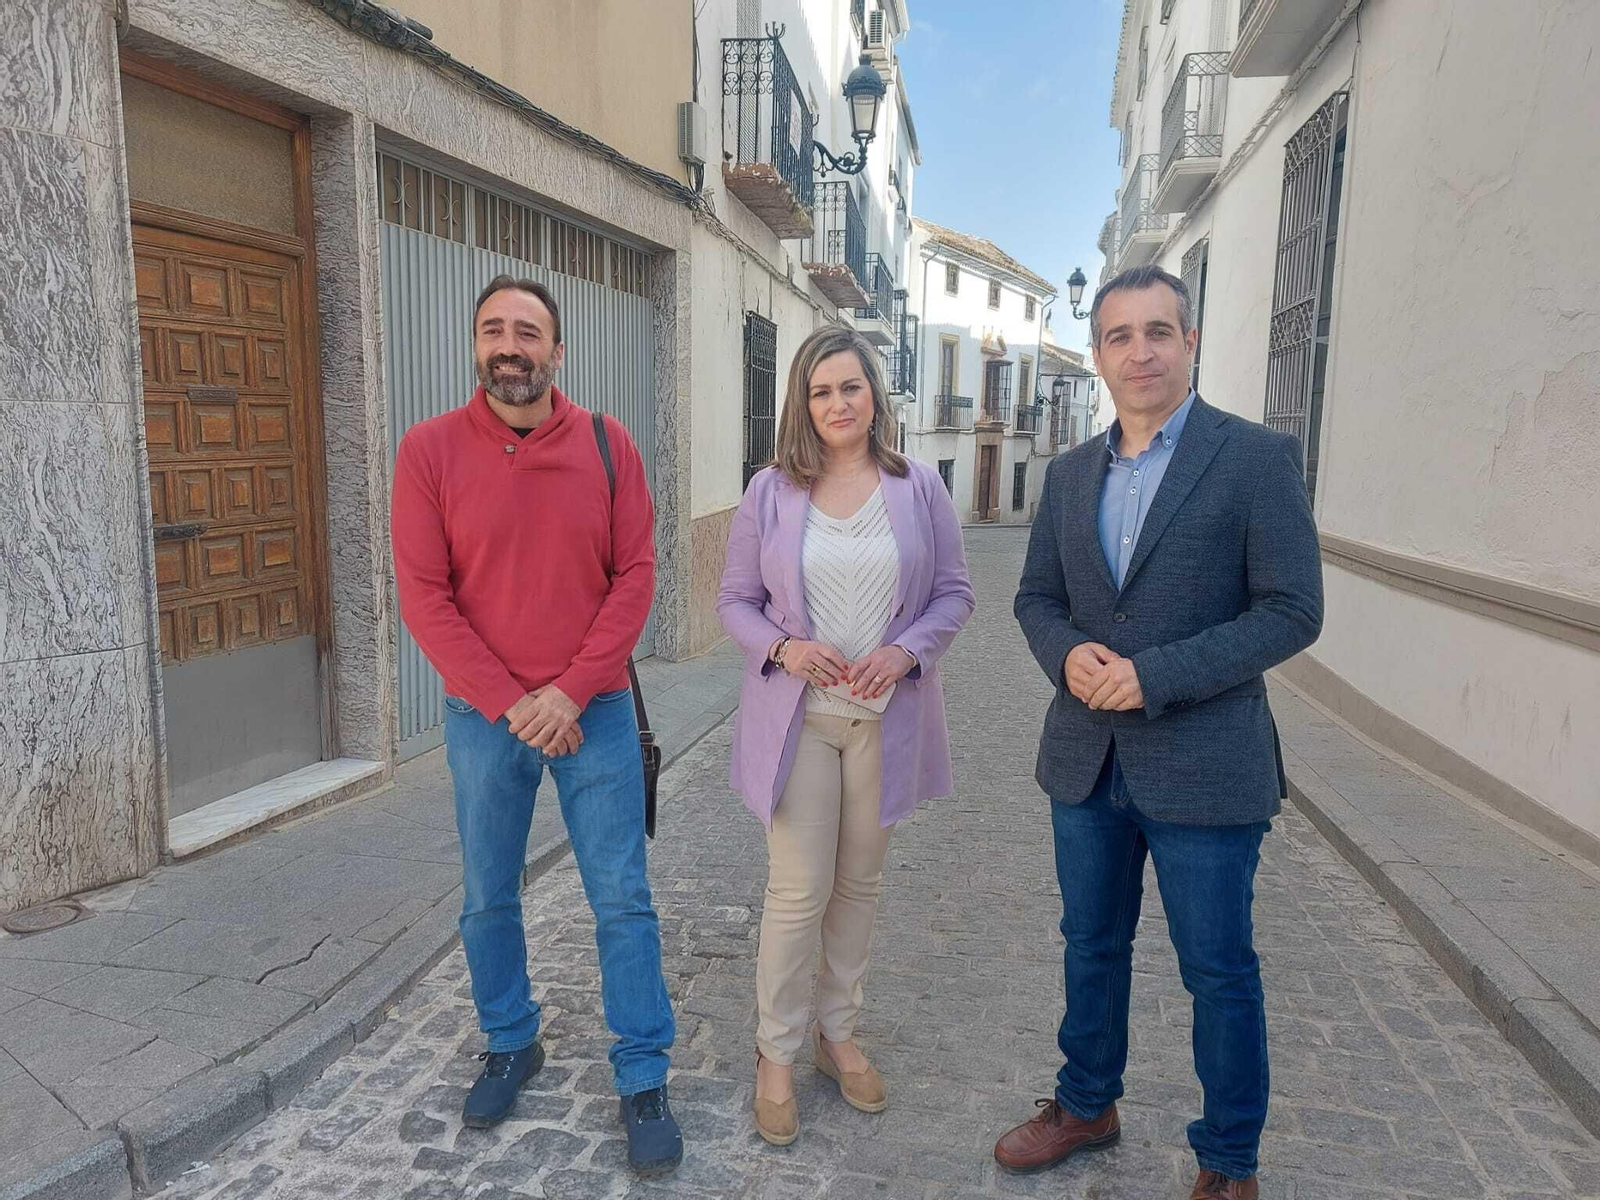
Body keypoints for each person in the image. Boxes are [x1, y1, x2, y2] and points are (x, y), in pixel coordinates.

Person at [1000, 265, 1323, 1200]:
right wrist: (1067, 658)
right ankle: (1085, 1102)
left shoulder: (1256, 459)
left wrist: (1155, 676)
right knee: (1089, 943)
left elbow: (1292, 610)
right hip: (1086, 760)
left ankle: (1229, 1160)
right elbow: (1035, 599)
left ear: (1190, 342)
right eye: (1119, 335)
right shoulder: (1067, 476)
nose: (1139, 350)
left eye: (1157, 331)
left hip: (1208, 766)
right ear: (1098, 355)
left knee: (1218, 968)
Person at [390, 275, 681, 1176]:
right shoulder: (427, 451)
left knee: (621, 899)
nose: (508, 346)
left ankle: (642, 1075)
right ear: (475, 346)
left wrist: (570, 689)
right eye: (492, 331)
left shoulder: (608, 445)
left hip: (590, 712)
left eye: (527, 332)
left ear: (558, 350)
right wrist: (511, 699)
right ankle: (512, 1040)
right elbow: (424, 597)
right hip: (486, 720)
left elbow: (635, 575)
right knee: (488, 895)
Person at [717, 325, 975, 1146]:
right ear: (804, 401)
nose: (837, 403)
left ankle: (837, 1034)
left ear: (874, 398)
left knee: (859, 888)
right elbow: (735, 602)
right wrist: (786, 648)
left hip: (886, 723)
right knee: (798, 893)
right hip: (803, 722)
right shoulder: (769, 491)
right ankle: (776, 1055)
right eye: (822, 390)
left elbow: (955, 593)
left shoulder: (920, 486)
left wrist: (906, 652)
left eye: (851, 388)